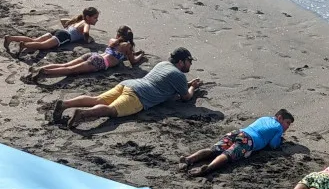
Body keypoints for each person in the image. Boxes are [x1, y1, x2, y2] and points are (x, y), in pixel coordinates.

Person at [52, 47, 201, 128]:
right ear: (181, 62)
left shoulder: (162, 64)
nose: (190, 64)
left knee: (96, 99)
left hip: (129, 84)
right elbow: (186, 97)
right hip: (139, 96)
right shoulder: (179, 76)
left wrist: (186, 85)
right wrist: (193, 87)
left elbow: (165, 82)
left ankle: (66, 104)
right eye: (189, 61)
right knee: (111, 110)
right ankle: (83, 114)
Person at [181, 109, 295, 177]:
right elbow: (273, 145)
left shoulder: (264, 118)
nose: (287, 127)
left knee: (214, 149)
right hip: (249, 140)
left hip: (239, 132)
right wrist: (280, 140)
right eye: (287, 123)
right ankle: (209, 168)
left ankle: (189, 159)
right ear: (279, 118)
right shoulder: (278, 127)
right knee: (227, 154)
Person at [27, 26, 145, 81]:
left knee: (66, 65)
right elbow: (133, 61)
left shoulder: (113, 41)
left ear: (119, 35)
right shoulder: (127, 46)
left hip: (93, 55)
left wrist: (134, 53)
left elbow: (118, 54)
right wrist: (141, 55)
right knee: (71, 70)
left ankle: (39, 68)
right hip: (100, 63)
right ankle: (45, 72)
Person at [4, 7, 100, 56]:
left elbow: (63, 20)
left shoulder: (79, 20)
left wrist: (69, 24)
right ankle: (24, 45)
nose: (97, 20)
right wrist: (87, 40)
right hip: (64, 37)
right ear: (88, 17)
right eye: (95, 18)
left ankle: (10, 38)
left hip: (59, 31)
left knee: (35, 40)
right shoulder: (86, 24)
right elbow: (86, 33)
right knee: (43, 45)